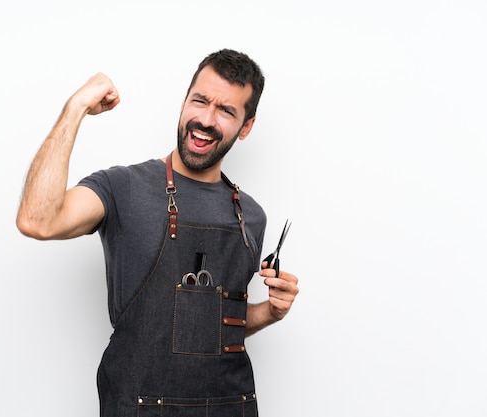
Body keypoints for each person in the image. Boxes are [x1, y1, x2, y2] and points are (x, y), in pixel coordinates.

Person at [16, 49, 299, 416]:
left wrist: (270, 312)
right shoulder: (123, 188)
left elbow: (210, 329)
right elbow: (37, 220)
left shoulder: (251, 216)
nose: (206, 119)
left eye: (226, 111)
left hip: (231, 405)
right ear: (184, 102)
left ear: (246, 127)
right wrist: (75, 109)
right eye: (200, 101)